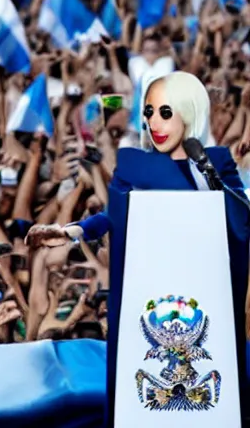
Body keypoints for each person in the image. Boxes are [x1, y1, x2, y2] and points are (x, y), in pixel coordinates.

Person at [106, 71, 250, 425]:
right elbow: (114, 217)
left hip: (204, 295)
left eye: (165, 112)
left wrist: (208, 180)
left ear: (190, 111)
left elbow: (240, 224)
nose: (154, 122)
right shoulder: (132, 164)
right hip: (150, 294)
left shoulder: (216, 162)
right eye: (149, 112)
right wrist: (73, 230)